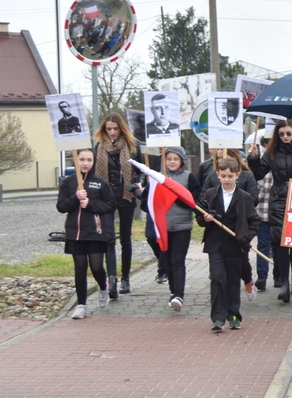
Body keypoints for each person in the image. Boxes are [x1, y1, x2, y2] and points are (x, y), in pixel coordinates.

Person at [248, 119, 292, 303]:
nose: (285, 137)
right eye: (281, 134)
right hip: (277, 199)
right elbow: (259, 174)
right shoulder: (272, 151)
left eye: (288, 133)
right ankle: (284, 283)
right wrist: (253, 159)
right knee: (279, 242)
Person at [198, 158, 261, 332]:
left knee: (233, 280)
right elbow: (200, 219)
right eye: (223, 175)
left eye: (230, 176)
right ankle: (218, 317)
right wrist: (204, 219)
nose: (226, 179)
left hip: (235, 244)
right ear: (217, 175)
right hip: (215, 244)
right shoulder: (210, 194)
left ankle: (234, 315)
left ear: (237, 176)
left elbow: (255, 221)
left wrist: (246, 237)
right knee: (218, 278)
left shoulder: (245, 197)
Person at [58, 149, 116, 319]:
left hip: (95, 232)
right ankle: (81, 305)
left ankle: (103, 287)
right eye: (82, 159)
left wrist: (90, 204)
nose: (85, 163)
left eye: (89, 160)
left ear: (93, 162)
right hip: (75, 234)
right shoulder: (68, 182)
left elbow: (111, 205)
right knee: (80, 267)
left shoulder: (100, 183)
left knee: (96, 267)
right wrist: (75, 198)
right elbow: (61, 206)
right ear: (76, 161)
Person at [141, 146, 201, 312]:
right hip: (163, 227)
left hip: (182, 226)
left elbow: (194, 201)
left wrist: (174, 195)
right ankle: (173, 292)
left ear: (182, 160)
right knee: (167, 261)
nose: (172, 162)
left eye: (176, 159)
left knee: (177, 260)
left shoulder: (190, 178)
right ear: (164, 161)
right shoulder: (157, 178)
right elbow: (146, 204)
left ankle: (179, 294)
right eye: (169, 159)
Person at [93, 113, 140, 297]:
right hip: (106, 194)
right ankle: (112, 278)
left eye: (115, 128)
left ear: (122, 128)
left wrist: (138, 184)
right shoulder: (99, 147)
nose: (112, 132)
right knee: (109, 238)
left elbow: (141, 170)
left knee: (125, 238)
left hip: (126, 193)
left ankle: (126, 277)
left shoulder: (132, 146)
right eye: (108, 129)